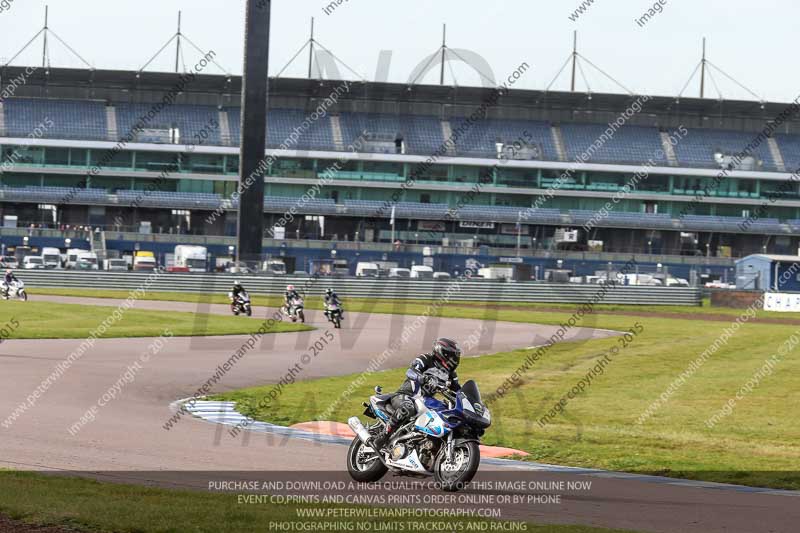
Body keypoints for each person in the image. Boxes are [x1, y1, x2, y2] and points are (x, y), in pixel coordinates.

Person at [372, 338, 462, 450]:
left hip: (424, 401)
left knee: (444, 413)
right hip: (406, 395)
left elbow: (458, 390)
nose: (455, 358)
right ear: (443, 352)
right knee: (408, 408)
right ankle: (383, 436)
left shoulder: (451, 374)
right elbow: (410, 371)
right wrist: (423, 378)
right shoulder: (426, 359)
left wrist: (466, 399)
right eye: (453, 355)